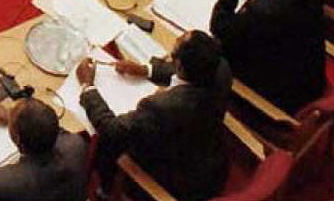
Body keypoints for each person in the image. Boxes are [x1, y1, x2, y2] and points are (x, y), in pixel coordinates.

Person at [78, 30, 231, 201]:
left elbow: (112, 129)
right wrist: (146, 70)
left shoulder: (161, 107)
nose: (177, 37)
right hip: (209, 159)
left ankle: (104, 191)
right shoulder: (220, 67)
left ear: (180, 65)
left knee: (108, 142)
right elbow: (180, 69)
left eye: (178, 43)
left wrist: (88, 87)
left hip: (178, 181)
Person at [211, 0, 326, 114]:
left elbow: (220, 26)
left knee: (207, 48)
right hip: (307, 75)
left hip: (281, 93)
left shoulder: (265, 12)